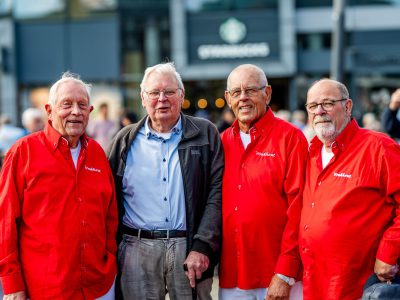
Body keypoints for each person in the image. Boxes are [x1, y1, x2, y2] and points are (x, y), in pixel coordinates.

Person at [108, 62, 223, 300]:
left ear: (181, 96)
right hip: (136, 249)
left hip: (188, 246)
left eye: (169, 92)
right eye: (154, 93)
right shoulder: (124, 140)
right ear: (143, 98)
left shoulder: (205, 133)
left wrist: (202, 246)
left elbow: (216, 193)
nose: (162, 99)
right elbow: (109, 197)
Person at [0, 72, 118, 299]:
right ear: (49, 111)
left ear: (90, 112)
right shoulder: (23, 152)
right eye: (67, 104)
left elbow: (109, 215)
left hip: (99, 286)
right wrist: (12, 284)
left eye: (82, 105)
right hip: (46, 288)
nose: (75, 111)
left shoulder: (97, 153)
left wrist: (109, 259)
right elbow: (6, 223)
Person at [300, 78, 400, 299]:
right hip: (314, 282)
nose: (319, 111)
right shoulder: (310, 152)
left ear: (348, 106)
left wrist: (388, 253)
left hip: (359, 285)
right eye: (312, 106)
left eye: (327, 103)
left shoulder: (379, 147)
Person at [219, 64, 308, 300]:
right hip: (232, 277)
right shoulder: (220, 142)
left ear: (267, 93)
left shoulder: (291, 138)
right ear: (228, 99)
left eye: (251, 90)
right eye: (236, 93)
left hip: (278, 277)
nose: (243, 98)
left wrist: (285, 273)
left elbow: (299, 208)